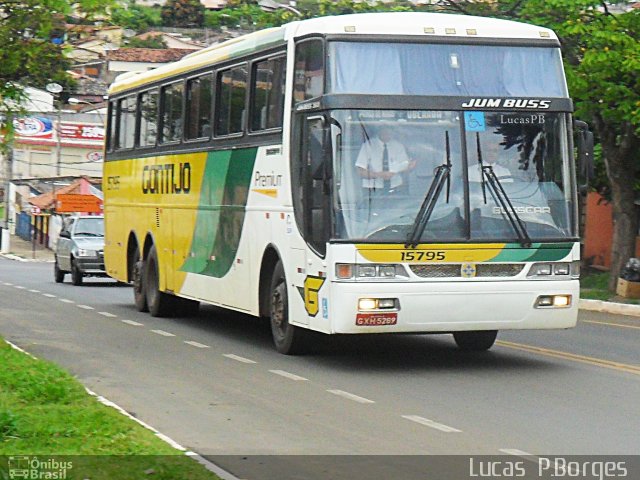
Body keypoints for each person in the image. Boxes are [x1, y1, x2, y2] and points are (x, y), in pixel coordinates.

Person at [355, 125, 415, 194]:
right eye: (384, 130)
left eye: (389, 130)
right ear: (379, 131)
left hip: (396, 188)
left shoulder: (398, 146)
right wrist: (378, 175)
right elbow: (359, 171)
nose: (387, 133)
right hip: (373, 190)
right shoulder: (368, 145)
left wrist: (410, 167)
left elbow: (405, 166)